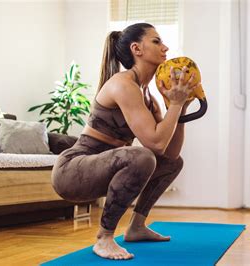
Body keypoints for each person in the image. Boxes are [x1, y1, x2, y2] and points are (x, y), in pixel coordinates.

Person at [51, 23, 198, 260]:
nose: (165, 47)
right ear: (136, 49)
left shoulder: (148, 97)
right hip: (73, 171)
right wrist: (177, 105)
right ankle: (104, 238)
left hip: (104, 167)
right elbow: (155, 144)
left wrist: (177, 109)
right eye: (156, 41)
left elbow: (168, 154)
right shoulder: (123, 84)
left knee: (174, 163)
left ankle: (136, 227)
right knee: (142, 156)